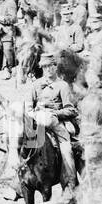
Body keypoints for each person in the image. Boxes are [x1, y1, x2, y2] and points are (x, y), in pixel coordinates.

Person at [27, 50, 80, 189]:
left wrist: (55, 113)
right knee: (23, 147)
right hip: (37, 121)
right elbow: (28, 105)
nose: (48, 69)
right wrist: (32, 113)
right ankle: (18, 185)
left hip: (56, 122)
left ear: (56, 66)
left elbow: (71, 110)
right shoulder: (36, 85)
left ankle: (70, 182)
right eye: (45, 67)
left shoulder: (62, 85)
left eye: (51, 66)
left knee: (66, 149)